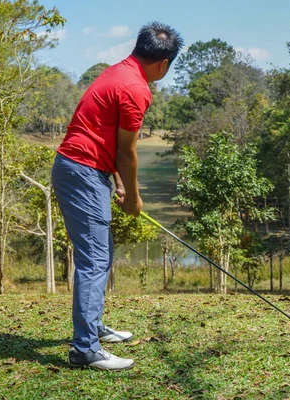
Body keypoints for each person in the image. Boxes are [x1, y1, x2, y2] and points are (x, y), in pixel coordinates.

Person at [51, 22, 183, 370]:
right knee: (94, 260)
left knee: (100, 254)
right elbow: (127, 151)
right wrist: (134, 198)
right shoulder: (136, 89)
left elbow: (103, 135)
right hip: (82, 171)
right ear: (163, 64)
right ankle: (84, 349)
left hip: (82, 168)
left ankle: (92, 328)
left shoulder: (118, 71)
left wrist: (118, 183)